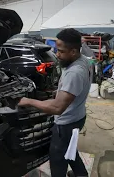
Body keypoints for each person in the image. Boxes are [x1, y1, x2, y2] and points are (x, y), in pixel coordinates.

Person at [18, 28, 91, 177]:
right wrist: (58, 93)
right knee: (70, 150)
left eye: (61, 51)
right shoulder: (84, 60)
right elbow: (74, 90)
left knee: (58, 160)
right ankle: (81, 175)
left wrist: (29, 101)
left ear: (74, 51)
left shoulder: (74, 72)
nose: (57, 55)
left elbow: (58, 108)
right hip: (78, 117)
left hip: (66, 124)